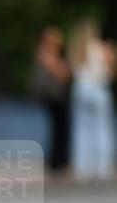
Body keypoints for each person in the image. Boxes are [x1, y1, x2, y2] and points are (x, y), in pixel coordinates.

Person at [68, 18, 116, 180]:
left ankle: (81, 167)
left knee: (81, 128)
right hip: (97, 88)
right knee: (102, 128)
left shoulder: (76, 49)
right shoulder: (101, 48)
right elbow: (111, 72)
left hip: (80, 88)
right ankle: (102, 167)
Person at [31, 26, 70, 173]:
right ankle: (56, 161)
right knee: (57, 129)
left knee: (61, 129)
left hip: (57, 97)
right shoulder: (44, 53)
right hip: (51, 97)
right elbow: (61, 73)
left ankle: (60, 160)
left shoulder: (52, 54)